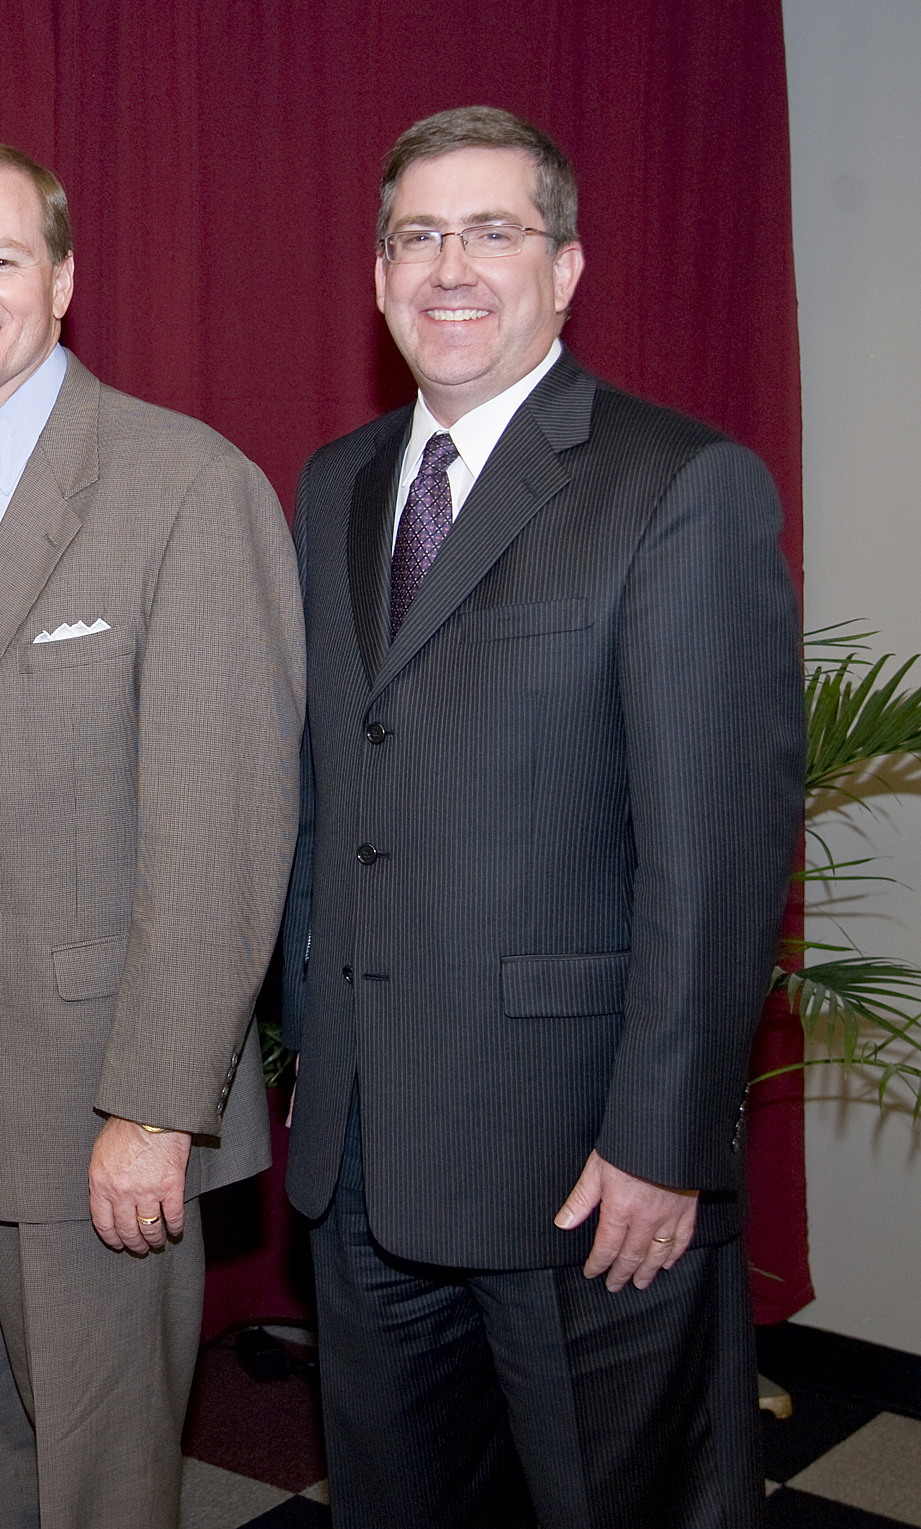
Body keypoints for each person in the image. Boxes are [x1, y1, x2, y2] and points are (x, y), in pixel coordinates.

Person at [280, 106, 805, 1527]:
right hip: (364, 1154)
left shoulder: (676, 485)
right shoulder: (334, 486)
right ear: (379, 271)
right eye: (416, 235)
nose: (450, 265)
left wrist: (662, 1136)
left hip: (579, 1164)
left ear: (567, 267)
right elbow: (337, 795)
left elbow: (714, 854)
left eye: (493, 230)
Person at [0, 141, 304, 1528]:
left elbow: (222, 829)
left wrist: (157, 1105)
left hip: (95, 1108)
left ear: (64, 279)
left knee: (100, 1490)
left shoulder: (184, 487)